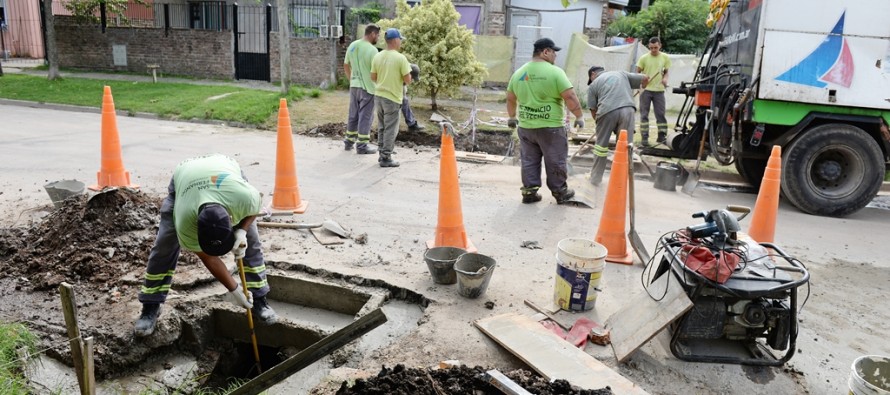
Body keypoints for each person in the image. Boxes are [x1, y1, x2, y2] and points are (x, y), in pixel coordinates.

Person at [134, 154, 277, 337]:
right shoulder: (185, 221)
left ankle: (259, 299)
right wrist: (235, 289)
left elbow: (255, 206)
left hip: (225, 174)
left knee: (252, 243)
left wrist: (242, 231)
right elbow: (208, 257)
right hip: (184, 181)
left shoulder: (243, 197)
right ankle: (151, 305)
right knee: (164, 246)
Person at [506, 37, 584, 204]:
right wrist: (579, 116)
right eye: (554, 52)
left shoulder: (519, 73)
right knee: (555, 159)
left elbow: (510, 98)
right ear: (545, 52)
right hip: (551, 128)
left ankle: (529, 193)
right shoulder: (555, 72)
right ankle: (560, 192)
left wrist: (512, 117)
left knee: (529, 160)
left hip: (526, 127)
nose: (555, 56)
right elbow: (569, 96)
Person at [586, 66, 648, 186]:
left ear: (593, 74)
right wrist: (643, 87)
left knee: (601, 148)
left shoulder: (593, 85)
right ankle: (622, 180)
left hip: (606, 111)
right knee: (626, 147)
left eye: (590, 78)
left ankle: (595, 178)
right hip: (628, 110)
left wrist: (602, 126)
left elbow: (593, 111)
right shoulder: (621, 73)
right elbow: (645, 78)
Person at [371, 28, 413, 168]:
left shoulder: (378, 56)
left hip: (379, 96)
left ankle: (381, 152)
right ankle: (386, 157)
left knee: (382, 126)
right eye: (400, 39)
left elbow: (373, 77)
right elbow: (407, 80)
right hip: (393, 98)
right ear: (395, 40)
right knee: (391, 128)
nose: (400, 42)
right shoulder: (401, 58)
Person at [343, 24, 381, 154]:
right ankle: (362, 146)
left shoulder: (353, 45)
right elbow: (375, 72)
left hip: (354, 86)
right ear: (372, 34)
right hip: (368, 88)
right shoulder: (373, 51)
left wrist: (351, 80)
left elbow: (346, 64)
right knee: (366, 116)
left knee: (353, 114)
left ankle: (348, 141)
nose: (378, 38)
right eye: (378, 35)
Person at [636, 37, 672, 146]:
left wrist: (665, 79)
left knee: (660, 114)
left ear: (660, 46)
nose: (653, 50)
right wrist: (643, 78)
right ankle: (644, 138)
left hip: (659, 91)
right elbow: (637, 73)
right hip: (646, 90)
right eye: (651, 48)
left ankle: (661, 136)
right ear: (649, 47)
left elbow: (666, 72)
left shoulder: (665, 57)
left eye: (656, 47)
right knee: (644, 115)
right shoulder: (643, 58)